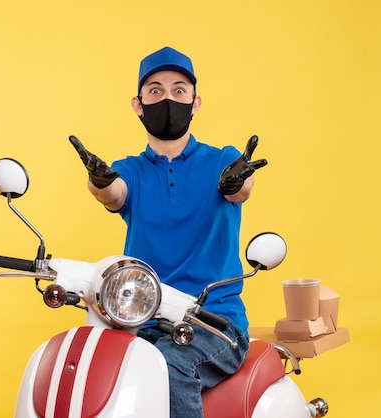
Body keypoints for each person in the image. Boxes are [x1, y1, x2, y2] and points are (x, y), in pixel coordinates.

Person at [69, 46, 267, 418]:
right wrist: (98, 181)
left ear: (195, 103)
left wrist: (236, 179)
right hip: (143, 319)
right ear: (138, 105)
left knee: (171, 368)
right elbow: (113, 195)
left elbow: (239, 188)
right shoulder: (130, 170)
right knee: (92, 367)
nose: (168, 99)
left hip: (215, 322)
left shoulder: (221, 161)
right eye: (155, 91)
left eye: (179, 90)